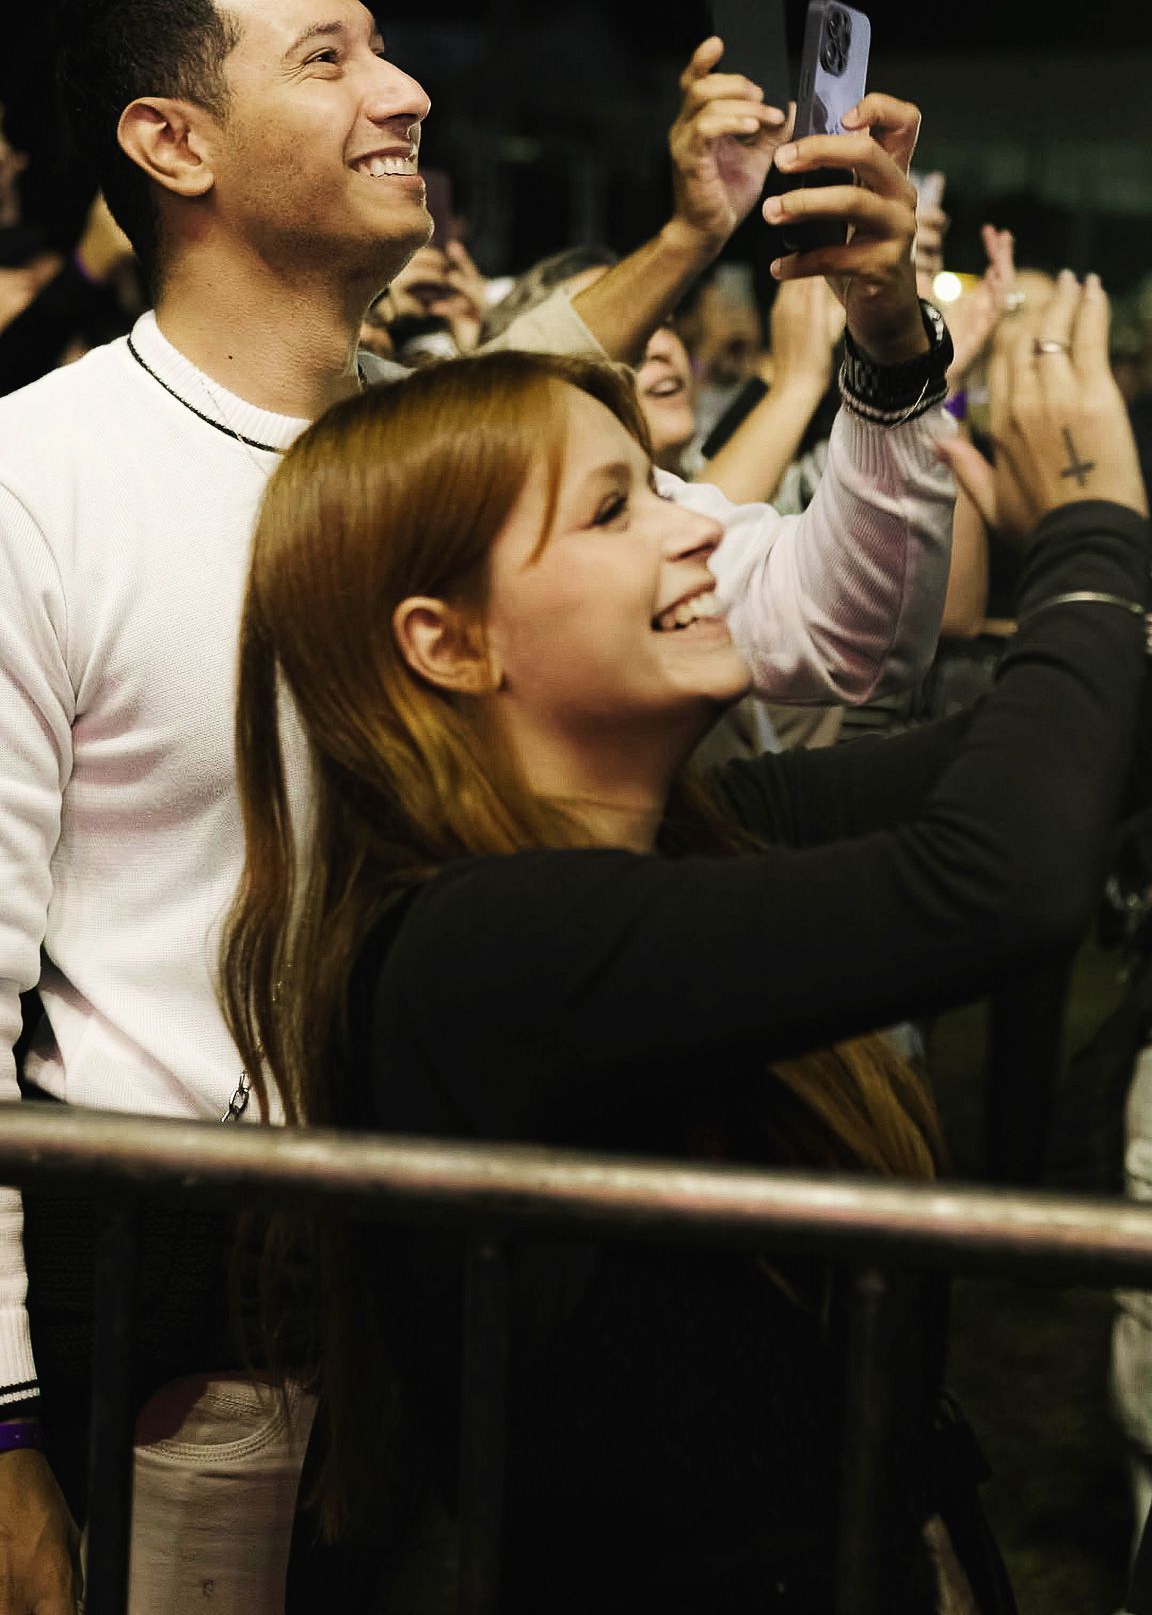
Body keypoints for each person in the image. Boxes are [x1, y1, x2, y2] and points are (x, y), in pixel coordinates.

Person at [0, 0, 955, 1609]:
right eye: (330, 59)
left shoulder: (447, 453)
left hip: (475, 1272)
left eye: (389, 48)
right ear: (171, 141)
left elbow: (846, 630)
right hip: (187, 1311)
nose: (408, 91)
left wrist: (887, 346)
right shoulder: (38, 481)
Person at [220, 271, 1149, 1613]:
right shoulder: (477, 948)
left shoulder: (690, 835)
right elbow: (999, 880)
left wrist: (1111, 589)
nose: (701, 530)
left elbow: (1061, 764)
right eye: (616, 509)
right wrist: (1090, 535)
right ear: (449, 644)